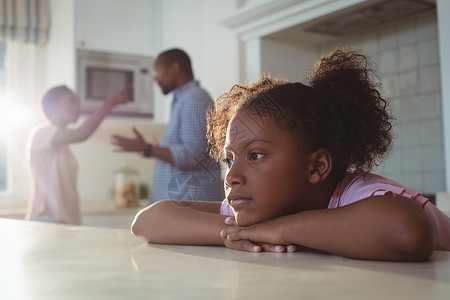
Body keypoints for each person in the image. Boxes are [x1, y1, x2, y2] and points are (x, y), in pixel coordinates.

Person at [130, 48, 450, 262]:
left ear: (317, 166)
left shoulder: (360, 195)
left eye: (255, 155)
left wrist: (279, 230)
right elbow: (148, 220)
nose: (231, 176)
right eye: (229, 159)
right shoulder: (264, 208)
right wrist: (233, 234)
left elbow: (407, 232)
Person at [111, 48, 223, 203]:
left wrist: (147, 148)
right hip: (183, 204)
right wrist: (154, 149)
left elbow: (193, 155)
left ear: (175, 69)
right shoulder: (183, 99)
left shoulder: (193, 99)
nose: (155, 78)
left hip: (190, 206)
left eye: (157, 71)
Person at [26, 85, 129, 225]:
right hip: (47, 217)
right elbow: (81, 134)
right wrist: (108, 104)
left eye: (78, 103)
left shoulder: (64, 149)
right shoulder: (41, 133)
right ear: (53, 106)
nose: (78, 107)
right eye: (71, 101)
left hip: (65, 221)